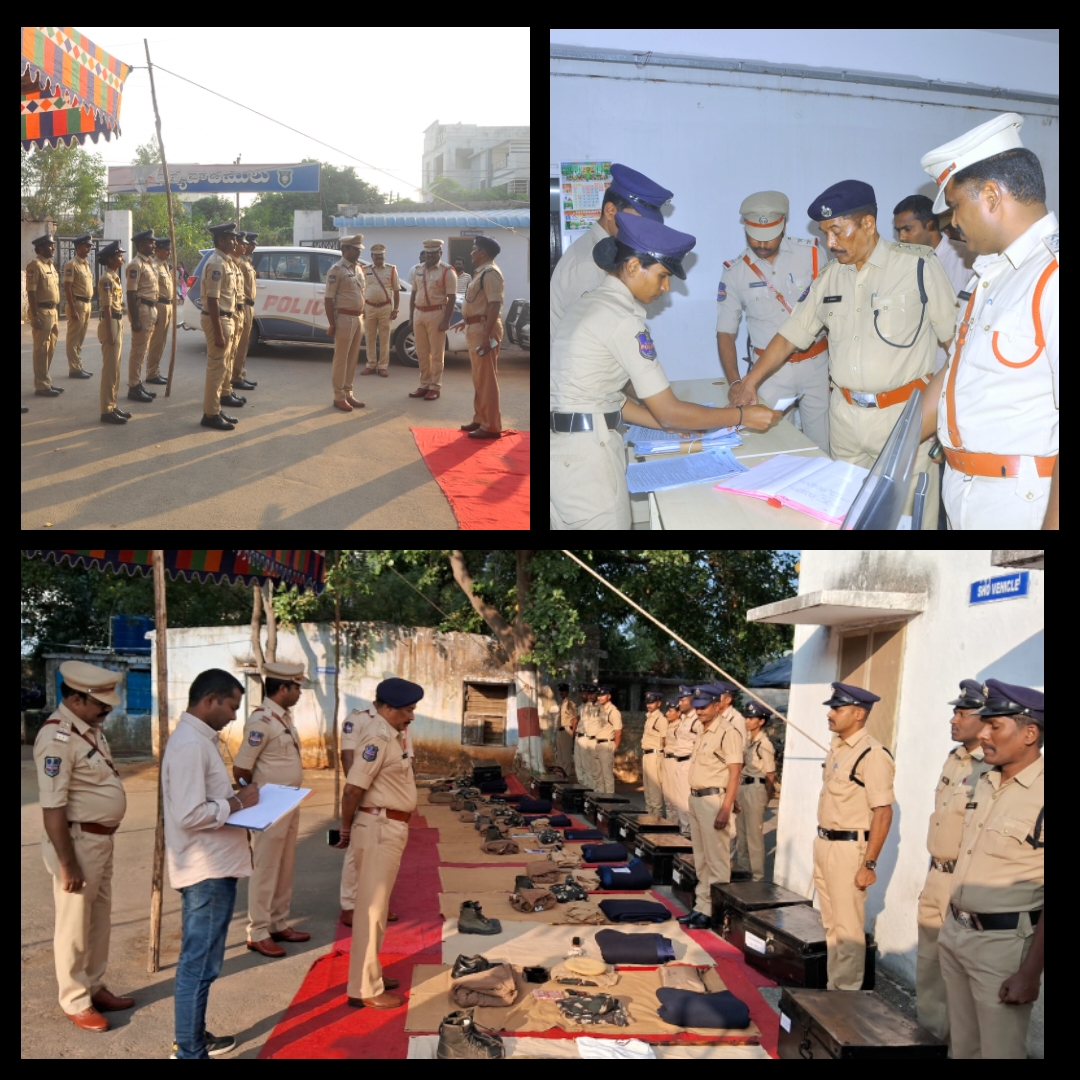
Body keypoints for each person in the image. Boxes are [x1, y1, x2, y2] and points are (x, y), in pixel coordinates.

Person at [729, 180, 958, 529]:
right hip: (845, 420)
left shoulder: (918, 266)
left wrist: (944, 417)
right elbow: (791, 334)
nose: (830, 243)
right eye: (825, 233)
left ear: (868, 223)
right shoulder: (830, 277)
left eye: (837, 231)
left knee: (908, 524)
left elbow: (957, 346)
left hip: (904, 418)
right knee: (846, 519)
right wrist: (750, 381)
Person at [551, 213, 781, 529]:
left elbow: (606, 398)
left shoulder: (590, 304)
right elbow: (670, 411)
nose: (666, 286)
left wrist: (666, 425)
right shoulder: (621, 319)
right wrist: (742, 417)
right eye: (662, 275)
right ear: (633, 266)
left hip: (564, 454)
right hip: (587, 462)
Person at [919, 112, 1059, 530]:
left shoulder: (1051, 275)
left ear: (992, 196)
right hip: (967, 492)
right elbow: (958, 369)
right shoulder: (993, 272)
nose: (954, 222)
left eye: (955, 206)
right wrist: (894, 448)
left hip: (1021, 506)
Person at [938, 679, 1043, 1059]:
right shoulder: (985, 781)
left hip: (1003, 947)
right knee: (962, 1047)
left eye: (994, 726)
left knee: (1000, 1051)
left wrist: (1030, 973)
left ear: (1029, 733)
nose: (983, 734)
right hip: (956, 933)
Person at [162, 669, 259, 1059]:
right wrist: (237, 802)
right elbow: (189, 814)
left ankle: (193, 1037)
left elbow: (203, 798)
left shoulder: (200, 739)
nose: (234, 716)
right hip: (206, 869)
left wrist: (234, 799)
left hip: (214, 864)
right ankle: (188, 1050)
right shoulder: (190, 744)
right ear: (209, 700)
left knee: (201, 962)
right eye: (232, 707)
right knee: (199, 965)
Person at [34, 661, 133, 1032]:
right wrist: (67, 863)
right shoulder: (56, 738)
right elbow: (53, 808)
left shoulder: (89, 729)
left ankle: (94, 985)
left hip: (99, 841)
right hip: (76, 843)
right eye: (101, 704)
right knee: (74, 925)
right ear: (76, 699)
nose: (108, 710)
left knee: (98, 920)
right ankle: (75, 1000)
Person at [717, 191, 830, 452]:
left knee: (822, 448)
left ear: (783, 226)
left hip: (817, 366)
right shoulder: (735, 272)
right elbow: (725, 332)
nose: (762, 244)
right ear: (745, 229)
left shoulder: (812, 255)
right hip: (769, 375)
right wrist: (736, 382)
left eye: (769, 236)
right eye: (754, 236)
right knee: (773, 449)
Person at [336, 678, 424, 1010]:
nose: (411, 717)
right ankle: (364, 987)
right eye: (407, 710)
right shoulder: (377, 738)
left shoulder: (392, 735)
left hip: (387, 826)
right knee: (371, 910)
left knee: (377, 909)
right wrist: (346, 828)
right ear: (387, 708)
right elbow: (352, 789)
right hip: (378, 827)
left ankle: (369, 973)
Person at [915, 680, 990, 1042]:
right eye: (954, 712)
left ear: (985, 718)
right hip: (937, 874)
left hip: (964, 881)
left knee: (956, 975)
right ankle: (929, 1040)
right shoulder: (955, 758)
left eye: (962, 713)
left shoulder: (990, 768)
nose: (953, 719)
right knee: (928, 966)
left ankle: (952, 1045)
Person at [814, 682, 895, 990]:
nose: (830, 714)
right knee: (831, 924)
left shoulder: (872, 754)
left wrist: (869, 864)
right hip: (825, 843)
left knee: (847, 928)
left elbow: (883, 812)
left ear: (859, 714)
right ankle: (835, 988)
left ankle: (846, 996)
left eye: (838, 708)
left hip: (849, 849)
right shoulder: (838, 748)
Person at [232, 662, 311, 958]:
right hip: (269, 806)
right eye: (296, 687)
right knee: (265, 869)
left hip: (288, 802)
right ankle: (258, 931)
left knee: (285, 865)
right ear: (283, 688)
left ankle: (278, 923)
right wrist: (253, 800)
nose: (300, 692)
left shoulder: (283, 718)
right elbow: (241, 768)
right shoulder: (262, 720)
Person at [550, 163, 674, 339]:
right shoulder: (589, 263)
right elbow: (588, 339)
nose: (643, 232)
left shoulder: (613, 252)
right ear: (610, 211)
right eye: (638, 222)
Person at [677, 686, 744, 929]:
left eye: (704, 707)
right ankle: (701, 907)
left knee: (717, 861)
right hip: (697, 799)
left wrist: (726, 808)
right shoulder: (702, 730)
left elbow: (734, 773)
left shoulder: (728, 732)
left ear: (717, 705)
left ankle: (715, 913)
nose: (699, 711)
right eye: (696, 707)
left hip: (714, 801)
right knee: (702, 858)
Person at [338, 700, 407, 927]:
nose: (410, 715)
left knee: (382, 857)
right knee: (356, 854)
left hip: (388, 795)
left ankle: (377, 903)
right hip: (365, 793)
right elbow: (348, 756)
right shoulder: (357, 719)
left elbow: (406, 760)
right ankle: (350, 905)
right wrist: (357, 788)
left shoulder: (400, 724)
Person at [892, 195, 963, 374]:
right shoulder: (899, 264)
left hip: (953, 367)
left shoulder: (965, 259)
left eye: (907, 229)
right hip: (914, 370)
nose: (902, 237)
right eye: (898, 230)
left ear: (930, 225)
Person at [459, 235, 505, 438]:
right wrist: (467, 319)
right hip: (476, 327)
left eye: (474, 249)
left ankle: (491, 426)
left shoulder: (491, 273)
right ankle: (480, 418)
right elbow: (480, 303)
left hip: (484, 330)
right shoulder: (481, 273)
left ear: (483, 253)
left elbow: (495, 305)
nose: (471, 253)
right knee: (479, 378)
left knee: (487, 379)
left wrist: (486, 335)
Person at [199, 223, 241, 430]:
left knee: (222, 367)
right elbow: (213, 299)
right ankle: (210, 414)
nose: (235, 242)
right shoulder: (216, 263)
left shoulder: (226, 262)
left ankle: (215, 408)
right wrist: (218, 332)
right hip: (218, 319)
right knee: (216, 368)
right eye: (231, 238)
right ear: (221, 241)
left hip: (226, 318)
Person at [408, 239, 457, 401]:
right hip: (419, 314)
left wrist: (446, 320)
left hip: (436, 314)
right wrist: (411, 316)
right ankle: (424, 384)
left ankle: (435, 386)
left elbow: (452, 298)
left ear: (440, 253)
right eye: (427, 253)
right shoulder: (418, 270)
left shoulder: (447, 271)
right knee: (421, 352)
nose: (430, 255)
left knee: (436, 353)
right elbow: (413, 294)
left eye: (433, 252)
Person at [734, 699, 777, 882]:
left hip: (756, 788)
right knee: (742, 834)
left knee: (754, 836)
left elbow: (770, 774)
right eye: (746, 717)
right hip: (744, 787)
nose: (747, 721)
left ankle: (757, 877)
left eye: (752, 718)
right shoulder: (749, 741)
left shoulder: (764, 744)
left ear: (761, 721)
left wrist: (765, 797)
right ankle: (743, 871)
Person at [325, 234, 367, 412]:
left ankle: (348, 392)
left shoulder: (358, 269)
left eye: (359, 249)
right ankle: (339, 396)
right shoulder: (337, 270)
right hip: (343, 318)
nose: (359, 252)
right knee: (341, 358)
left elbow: (361, 292)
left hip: (358, 318)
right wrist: (332, 324)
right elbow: (328, 299)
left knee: (353, 358)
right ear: (345, 250)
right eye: (355, 249)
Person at [96, 241, 130, 425]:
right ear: (110, 259)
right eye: (119, 256)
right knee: (110, 369)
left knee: (115, 367)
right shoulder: (107, 279)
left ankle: (112, 404)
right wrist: (110, 333)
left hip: (117, 322)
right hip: (111, 323)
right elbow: (107, 308)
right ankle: (106, 410)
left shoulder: (114, 277)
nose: (122, 259)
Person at [125, 228, 160, 404]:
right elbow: (131, 293)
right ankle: (133, 386)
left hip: (151, 308)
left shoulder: (150, 263)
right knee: (138, 350)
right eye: (150, 242)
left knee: (143, 349)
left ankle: (138, 383)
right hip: (142, 310)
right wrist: (135, 319)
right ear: (141, 245)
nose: (154, 245)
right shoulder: (135, 264)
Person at [26, 232, 63, 396]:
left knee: (50, 348)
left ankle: (46, 381)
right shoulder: (35, 265)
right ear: (40, 248)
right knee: (41, 349)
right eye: (50, 245)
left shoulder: (50, 265)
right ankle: (41, 385)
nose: (53, 248)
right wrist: (34, 317)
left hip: (52, 311)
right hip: (41, 311)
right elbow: (31, 293)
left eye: (53, 245)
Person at [665, 687, 702, 836]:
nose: (680, 703)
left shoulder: (696, 720)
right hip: (678, 761)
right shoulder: (685, 719)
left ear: (692, 700)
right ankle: (683, 831)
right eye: (679, 700)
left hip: (689, 761)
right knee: (678, 801)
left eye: (683, 700)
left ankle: (689, 835)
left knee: (686, 803)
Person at [359, 243, 398, 377]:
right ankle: (370, 364)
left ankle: (382, 366)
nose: (379, 257)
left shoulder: (391, 269)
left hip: (385, 308)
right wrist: (362, 308)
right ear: (372, 256)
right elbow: (361, 290)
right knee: (369, 337)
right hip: (369, 307)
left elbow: (396, 290)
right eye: (376, 255)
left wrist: (396, 309)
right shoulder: (365, 270)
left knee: (384, 338)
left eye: (381, 255)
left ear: (384, 255)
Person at [143, 237, 176, 388]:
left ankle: (155, 370)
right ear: (157, 250)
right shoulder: (154, 266)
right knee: (156, 341)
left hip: (168, 305)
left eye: (169, 249)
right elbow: (152, 288)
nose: (169, 252)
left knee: (162, 341)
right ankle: (151, 373)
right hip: (160, 305)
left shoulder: (165, 266)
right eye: (166, 249)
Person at [62, 234, 95, 379]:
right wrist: (73, 308)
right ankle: (74, 369)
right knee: (73, 339)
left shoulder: (85, 264)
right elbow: (67, 288)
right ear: (79, 247)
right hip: (78, 304)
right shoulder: (72, 264)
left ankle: (78, 365)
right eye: (87, 246)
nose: (89, 249)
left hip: (87, 304)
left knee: (80, 338)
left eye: (90, 246)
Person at [230, 232, 258, 393]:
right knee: (239, 344)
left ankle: (239, 373)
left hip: (249, 305)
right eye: (248, 244)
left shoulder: (246, 262)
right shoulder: (239, 263)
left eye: (251, 244)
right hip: (242, 305)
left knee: (244, 343)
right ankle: (235, 376)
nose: (250, 246)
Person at [640, 690, 668, 817]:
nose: (649, 705)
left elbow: (665, 740)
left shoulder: (660, 719)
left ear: (659, 703)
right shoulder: (649, 717)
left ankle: (656, 819)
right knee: (647, 790)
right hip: (647, 754)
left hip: (655, 755)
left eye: (652, 703)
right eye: (647, 703)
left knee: (654, 789)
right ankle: (649, 818)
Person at [592, 686, 623, 794]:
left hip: (607, 745)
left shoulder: (613, 712)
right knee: (598, 775)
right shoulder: (600, 710)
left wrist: (614, 748)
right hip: (598, 744)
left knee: (607, 776)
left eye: (603, 695)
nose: (600, 697)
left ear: (609, 696)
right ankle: (600, 798)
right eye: (599, 695)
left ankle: (609, 799)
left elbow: (618, 732)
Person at [573, 684, 598, 790]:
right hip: (578, 737)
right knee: (578, 765)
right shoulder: (581, 707)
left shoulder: (595, 708)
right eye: (581, 693)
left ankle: (589, 788)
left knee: (587, 766)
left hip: (587, 738)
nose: (582, 695)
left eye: (584, 693)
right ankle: (582, 786)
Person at [661, 699, 682, 820]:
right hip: (667, 759)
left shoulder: (680, 726)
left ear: (678, 713)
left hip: (675, 760)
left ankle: (676, 825)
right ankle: (670, 823)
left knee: (674, 798)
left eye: (670, 711)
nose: (667, 713)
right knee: (667, 797)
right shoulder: (669, 725)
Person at [556, 683, 578, 778]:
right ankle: (561, 775)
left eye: (564, 691)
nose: (562, 693)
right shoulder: (561, 704)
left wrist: (573, 734)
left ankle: (566, 775)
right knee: (560, 756)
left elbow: (575, 720)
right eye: (561, 691)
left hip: (567, 731)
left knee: (566, 756)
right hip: (560, 731)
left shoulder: (570, 704)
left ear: (567, 692)